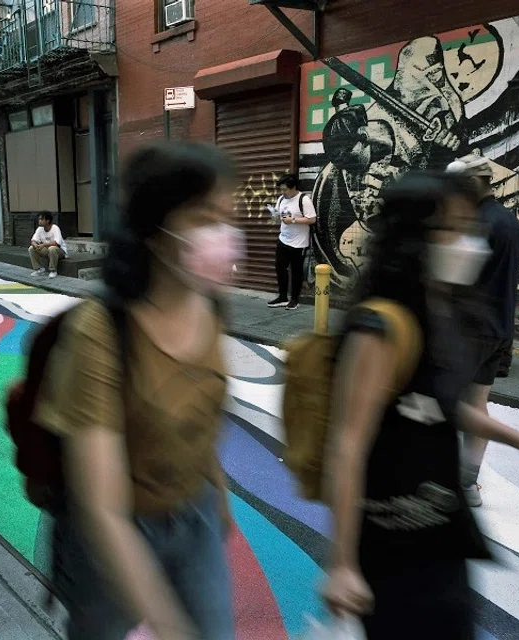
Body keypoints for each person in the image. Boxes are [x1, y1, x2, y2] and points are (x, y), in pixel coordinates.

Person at [320, 173, 519, 639]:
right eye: (453, 229)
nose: (470, 243)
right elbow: (347, 444)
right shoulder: (378, 327)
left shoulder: (439, 310)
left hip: (440, 528)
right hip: (392, 533)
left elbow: (440, 404)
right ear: (414, 239)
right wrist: (342, 564)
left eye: (470, 228)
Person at [34, 142, 244, 640]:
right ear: (156, 231)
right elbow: (101, 508)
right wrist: (170, 627)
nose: (226, 236)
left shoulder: (210, 306)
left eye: (228, 218)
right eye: (205, 218)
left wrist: (219, 495)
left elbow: (200, 406)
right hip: (112, 537)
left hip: (194, 516)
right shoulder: (99, 333)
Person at [446, 154, 519, 507]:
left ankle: (447, 481)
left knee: (444, 403)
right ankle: (468, 483)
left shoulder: (473, 223)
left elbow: (453, 280)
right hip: (499, 329)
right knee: (477, 405)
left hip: (467, 331)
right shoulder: (510, 223)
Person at [267, 173, 317, 310]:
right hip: (283, 239)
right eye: (281, 190)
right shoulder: (281, 199)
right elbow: (279, 216)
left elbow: (312, 219)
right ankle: (282, 297)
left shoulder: (304, 200)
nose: (282, 192)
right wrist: (275, 217)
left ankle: (295, 299)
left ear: (293, 187)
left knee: (296, 271)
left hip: (299, 243)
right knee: (280, 268)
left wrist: (293, 220)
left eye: (285, 189)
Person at [29, 212, 68, 279]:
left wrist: (43, 245)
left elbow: (57, 243)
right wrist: (35, 245)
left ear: (47, 221)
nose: (39, 221)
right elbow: (33, 240)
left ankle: (53, 270)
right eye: (39, 219)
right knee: (31, 248)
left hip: (60, 251)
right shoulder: (40, 229)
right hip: (48, 251)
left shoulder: (55, 228)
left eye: (41, 219)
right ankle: (39, 269)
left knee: (52, 248)